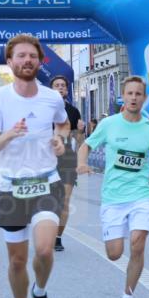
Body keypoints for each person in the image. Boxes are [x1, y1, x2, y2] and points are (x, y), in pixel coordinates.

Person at [0, 34, 70, 298]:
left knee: (44, 250)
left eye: (32, 56)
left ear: (40, 61)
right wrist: (10, 134)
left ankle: (40, 292)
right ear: (10, 62)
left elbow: (62, 125)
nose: (26, 60)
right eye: (20, 56)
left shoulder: (52, 98)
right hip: (11, 188)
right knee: (17, 262)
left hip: (47, 183)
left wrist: (61, 140)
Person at [78, 76, 149, 298]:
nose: (134, 98)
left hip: (140, 195)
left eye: (138, 94)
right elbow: (86, 145)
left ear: (144, 98)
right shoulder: (109, 124)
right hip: (113, 197)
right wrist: (81, 163)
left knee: (138, 244)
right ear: (123, 96)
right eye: (130, 93)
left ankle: (128, 295)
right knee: (115, 254)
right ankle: (117, 239)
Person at [49, 75, 83, 251]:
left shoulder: (73, 111)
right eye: (57, 85)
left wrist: (81, 131)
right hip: (46, 158)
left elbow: (79, 140)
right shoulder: (43, 110)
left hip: (68, 158)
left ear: (67, 90)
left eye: (63, 85)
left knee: (64, 201)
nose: (60, 88)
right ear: (50, 89)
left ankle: (57, 237)